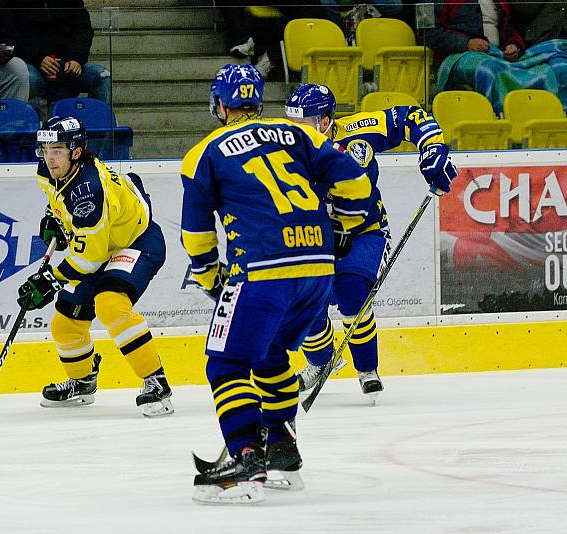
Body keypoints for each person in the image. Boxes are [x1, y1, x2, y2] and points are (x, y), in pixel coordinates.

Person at [183, 64, 373, 505]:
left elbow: (196, 233)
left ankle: (246, 459)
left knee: (225, 365)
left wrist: (212, 278)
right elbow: (355, 183)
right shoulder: (299, 135)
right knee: (270, 358)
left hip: (263, 271)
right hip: (316, 271)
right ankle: (284, 452)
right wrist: (343, 226)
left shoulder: (205, 152)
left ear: (221, 105)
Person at [284, 83, 457, 399]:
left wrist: (432, 148)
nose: (294, 130)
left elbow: (411, 117)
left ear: (325, 121)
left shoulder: (355, 131)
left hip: (365, 231)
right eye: (290, 122)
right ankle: (320, 363)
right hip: (313, 240)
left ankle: (366, 368)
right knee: (305, 301)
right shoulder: (285, 152)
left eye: (302, 123)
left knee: (353, 294)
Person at [16, 116, 173, 418]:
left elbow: (88, 260)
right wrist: (55, 218)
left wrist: (50, 280)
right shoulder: (50, 172)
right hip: (102, 244)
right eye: (45, 149)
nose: (49, 157)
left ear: (76, 151)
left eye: (58, 150)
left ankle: (157, 382)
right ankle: (83, 381)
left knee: (110, 305)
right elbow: (59, 199)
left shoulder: (89, 191)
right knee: (65, 323)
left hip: (136, 243)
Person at [12, 0, 111, 109]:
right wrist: (39, 58)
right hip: (32, 63)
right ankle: (32, 122)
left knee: (102, 76)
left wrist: (76, 58)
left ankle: (99, 123)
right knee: (28, 78)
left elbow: (83, 29)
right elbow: (13, 36)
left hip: (66, 63)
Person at [421, 0, 525, 66]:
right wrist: (466, 43)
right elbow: (426, 33)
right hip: (455, 57)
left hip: (498, 55)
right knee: (489, 69)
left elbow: (511, 30)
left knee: (538, 67)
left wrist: (513, 45)